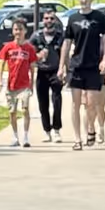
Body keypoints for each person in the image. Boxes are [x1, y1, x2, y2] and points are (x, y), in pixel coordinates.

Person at [58, 0, 105, 150]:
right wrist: (62, 66)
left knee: (91, 103)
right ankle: (77, 139)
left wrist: (104, 60)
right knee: (75, 104)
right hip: (77, 66)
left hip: (93, 66)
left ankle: (90, 128)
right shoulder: (73, 19)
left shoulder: (100, 18)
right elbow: (66, 44)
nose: (84, 1)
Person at [0, 17, 37, 147]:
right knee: (12, 111)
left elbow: (32, 67)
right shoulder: (8, 47)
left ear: (25, 31)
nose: (18, 32)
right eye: (15, 29)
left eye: (20, 29)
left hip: (24, 84)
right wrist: (0, 81)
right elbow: (1, 64)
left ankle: (25, 137)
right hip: (11, 85)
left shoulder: (29, 48)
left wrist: (32, 84)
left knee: (24, 109)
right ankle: (15, 137)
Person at [30, 8, 65, 142]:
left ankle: (57, 130)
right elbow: (30, 56)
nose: (49, 21)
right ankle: (47, 131)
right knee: (43, 103)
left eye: (51, 18)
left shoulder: (60, 36)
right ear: (42, 20)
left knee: (57, 101)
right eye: (46, 18)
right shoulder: (36, 36)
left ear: (55, 20)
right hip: (42, 72)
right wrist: (39, 56)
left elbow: (64, 54)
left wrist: (65, 70)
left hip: (56, 71)